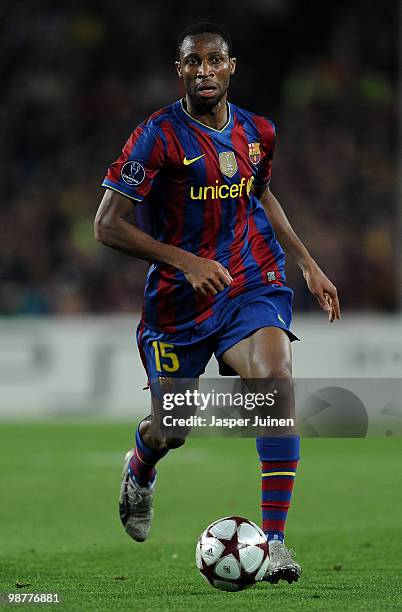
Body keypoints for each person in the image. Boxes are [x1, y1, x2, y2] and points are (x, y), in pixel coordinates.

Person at [94, 22, 340, 584]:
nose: (203, 70)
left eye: (213, 60)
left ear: (231, 67)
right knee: (172, 427)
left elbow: (260, 193)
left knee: (274, 384)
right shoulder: (156, 136)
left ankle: (274, 543)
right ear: (179, 71)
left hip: (249, 282)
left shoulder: (259, 132)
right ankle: (141, 463)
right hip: (178, 305)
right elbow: (106, 225)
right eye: (192, 62)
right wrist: (185, 261)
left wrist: (305, 261)